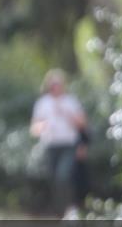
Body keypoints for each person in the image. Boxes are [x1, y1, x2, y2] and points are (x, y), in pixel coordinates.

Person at [30, 69, 88, 218]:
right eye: (53, 84)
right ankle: (62, 210)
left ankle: (71, 208)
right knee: (55, 179)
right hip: (51, 145)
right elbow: (34, 128)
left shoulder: (70, 101)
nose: (55, 87)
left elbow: (82, 123)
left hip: (68, 144)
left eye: (58, 84)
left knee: (64, 175)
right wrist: (43, 126)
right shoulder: (43, 103)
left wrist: (66, 113)